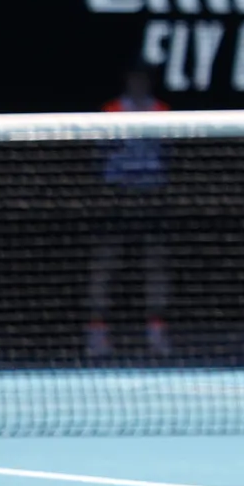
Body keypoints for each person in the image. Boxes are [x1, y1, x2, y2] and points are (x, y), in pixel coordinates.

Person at [91, 68, 173, 359]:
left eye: (143, 79)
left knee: (156, 263)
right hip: (118, 194)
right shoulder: (112, 111)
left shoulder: (162, 111)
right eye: (133, 78)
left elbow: (170, 154)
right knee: (105, 262)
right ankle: (98, 333)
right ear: (127, 81)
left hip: (150, 195)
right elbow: (99, 154)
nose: (138, 83)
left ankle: (156, 334)